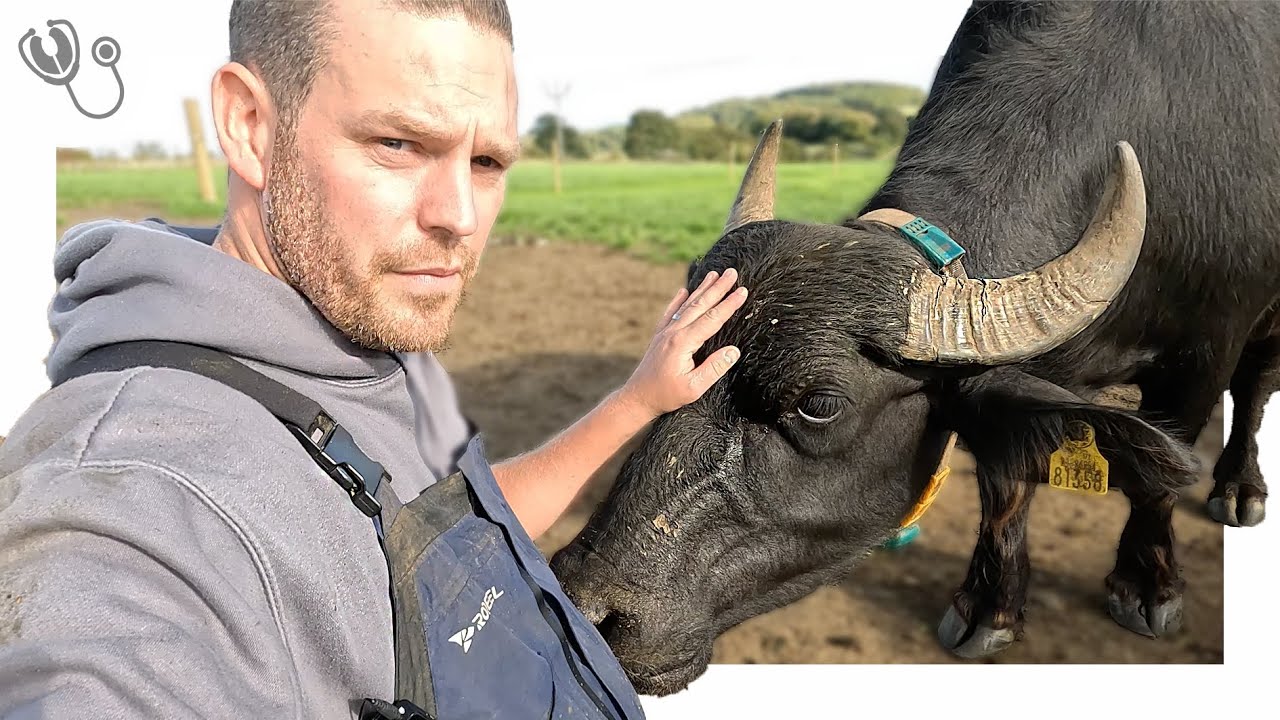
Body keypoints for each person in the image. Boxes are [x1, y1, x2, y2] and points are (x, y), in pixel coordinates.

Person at [0, 1, 747, 717]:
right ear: (250, 126)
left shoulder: (346, 336)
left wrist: (638, 400)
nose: (457, 216)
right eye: (398, 144)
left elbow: (444, 548)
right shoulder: (124, 502)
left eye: (486, 160)